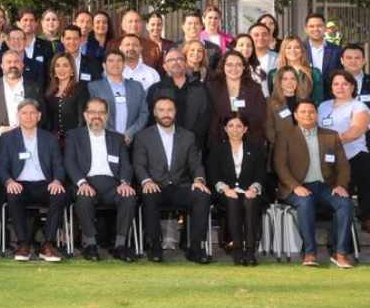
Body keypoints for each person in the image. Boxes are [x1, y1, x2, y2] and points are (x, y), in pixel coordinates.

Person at [273, 100, 354, 268]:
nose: (307, 115)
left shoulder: (331, 135)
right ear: (295, 115)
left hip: (326, 187)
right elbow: (280, 165)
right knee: (305, 203)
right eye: (303, 112)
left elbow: (343, 165)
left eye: (311, 112)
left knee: (345, 203)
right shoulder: (285, 135)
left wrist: (341, 185)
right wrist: (295, 186)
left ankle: (340, 253)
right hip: (297, 187)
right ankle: (310, 253)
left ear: (317, 115)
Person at [133, 96, 213, 264]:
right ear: (155, 113)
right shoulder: (143, 136)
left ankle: (196, 249)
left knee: (202, 196)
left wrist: (199, 180)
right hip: (156, 186)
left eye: (170, 110)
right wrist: (146, 181)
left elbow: (196, 164)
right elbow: (139, 165)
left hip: (180, 186)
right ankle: (155, 248)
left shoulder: (188, 136)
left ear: (175, 112)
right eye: (161, 110)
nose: (166, 114)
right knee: (149, 196)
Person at [64, 97, 137, 262]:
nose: (96, 116)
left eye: (101, 112)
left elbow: (126, 165)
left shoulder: (117, 138)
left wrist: (125, 182)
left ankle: (120, 245)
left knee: (129, 196)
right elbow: (69, 162)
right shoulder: (74, 136)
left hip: (113, 186)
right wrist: (82, 183)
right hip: (86, 183)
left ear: (107, 116)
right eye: (92, 112)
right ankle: (90, 245)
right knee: (83, 198)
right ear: (85, 115)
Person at [0, 100, 67, 262]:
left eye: (32, 113)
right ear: (18, 116)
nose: (28, 117)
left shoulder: (50, 138)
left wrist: (57, 181)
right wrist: (9, 182)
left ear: (39, 116)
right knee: (12, 194)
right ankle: (23, 244)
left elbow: (58, 165)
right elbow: (1, 166)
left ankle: (47, 244)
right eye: (24, 113)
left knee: (59, 194)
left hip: (45, 184)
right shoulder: (7, 138)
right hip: (19, 184)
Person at [318, 69, 370, 239]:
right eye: (336, 84)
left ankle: (362, 222)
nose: (340, 87)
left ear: (352, 87)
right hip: (329, 160)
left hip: (355, 157)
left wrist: (330, 143)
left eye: (345, 84)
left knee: (354, 192)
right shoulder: (323, 106)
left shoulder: (359, 106)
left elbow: (356, 130)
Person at [207, 112, 266, 266]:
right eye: (231, 126)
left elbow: (261, 174)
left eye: (239, 126)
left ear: (245, 129)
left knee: (249, 201)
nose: (235, 129)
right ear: (225, 129)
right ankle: (237, 250)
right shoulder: (217, 149)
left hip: (249, 192)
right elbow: (213, 175)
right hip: (225, 193)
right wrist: (225, 189)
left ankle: (250, 251)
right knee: (232, 200)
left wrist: (254, 188)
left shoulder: (255, 149)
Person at [339, 44, 370, 234]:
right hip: (342, 140)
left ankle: (367, 217)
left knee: (365, 179)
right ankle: (343, 217)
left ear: (364, 60)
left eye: (357, 57)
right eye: (349, 58)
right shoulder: (335, 80)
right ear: (342, 60)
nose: (353, 61)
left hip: (367, 138)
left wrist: (362, 127)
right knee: (343, 179)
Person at [147, 47, 212, 145]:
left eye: (179, 59)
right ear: (165, 66)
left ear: (185, 64)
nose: (176, 62)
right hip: (163, 144)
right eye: (171, 60)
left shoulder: (200, 88)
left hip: (194, 144)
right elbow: (152, 119)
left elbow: (205, 117)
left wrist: (192, 139)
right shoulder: (156, 89)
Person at [209, 50, 269, 147]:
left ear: (244, 67)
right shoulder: (212, 88)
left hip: (249, 141)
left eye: (238, 65)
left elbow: (261, 116)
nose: (234, 68)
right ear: (223, 66)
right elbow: (210, 117)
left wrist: (241, 130)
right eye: (229, 64)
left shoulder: (254, 88)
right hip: (219, 141)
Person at [87, 51, 148, 144]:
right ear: (104, 66)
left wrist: (130, 133)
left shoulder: (137, 86)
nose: (115, 64)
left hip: (133, 140)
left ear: (124, 65)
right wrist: (115, 136)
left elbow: (144, 113)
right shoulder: (94, 87)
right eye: (111, 61)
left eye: (119, 60)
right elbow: (94, 115)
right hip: (105, 139)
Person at [0, 50, 42, 138]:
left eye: (16, 62)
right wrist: (0, 129)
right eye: (9, 62)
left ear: (22, 65)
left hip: (29, 137)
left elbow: (41, 114)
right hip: (1, 140)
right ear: (2, 66)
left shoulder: (35, 88)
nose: (12, 65)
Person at [41, 53, 87, 142]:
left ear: (72, 70)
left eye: (65, 66)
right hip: (53, 141)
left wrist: (75, 140)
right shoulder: (48, 91)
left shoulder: (80, 89)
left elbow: (82, 120)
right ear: (53, 70)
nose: (61, 69)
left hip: (74, 140)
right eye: (57, 66)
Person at [302, 12, 341, 93]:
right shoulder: (299, 49)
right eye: (311, 26)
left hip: (329, 95)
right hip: (305, 95)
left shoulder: (336, 50)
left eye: (319, 26)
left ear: (325, 28)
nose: (316, 29)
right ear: (306, 29)